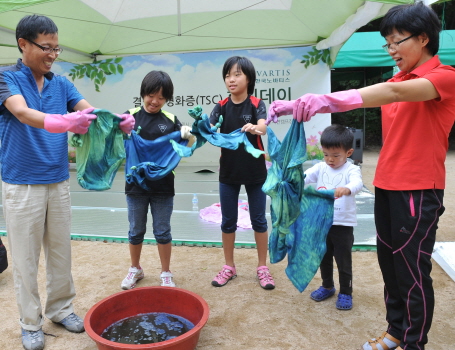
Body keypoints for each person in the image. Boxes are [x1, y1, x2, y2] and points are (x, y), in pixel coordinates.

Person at [267, 3, 455, 350]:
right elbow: (386, 91)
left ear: (424, 38)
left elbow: (392, 94)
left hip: (417, 190)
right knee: (390, 265)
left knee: (412, 271)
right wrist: (297, 107)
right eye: (387, 43)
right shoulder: (396, 79)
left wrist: (323, 101)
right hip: (385, 184)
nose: (391, 50)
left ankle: (414, 343)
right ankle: (395, 332)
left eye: (397, 41)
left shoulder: (443, 77)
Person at [0, 14, 134, 350]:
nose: (53, 54)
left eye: (56, 48)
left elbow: (91, 111)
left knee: (60, 254)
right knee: (26, 260)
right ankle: (31, 324)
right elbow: (22, 113)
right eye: (47, 47)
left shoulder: (62, 85)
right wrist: (63, 122)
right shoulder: (7, 78)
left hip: (58, 181)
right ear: (23, 44)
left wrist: (118, 120)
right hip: (22, 183)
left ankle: (60, 309)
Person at [120, 70, 193, 290]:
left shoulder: (170, 120)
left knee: (162, 231)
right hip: (135, 186)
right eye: (151, 95)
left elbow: (187, 146)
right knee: (135, 230)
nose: (155, 101)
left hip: (163, 186)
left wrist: (189, 136)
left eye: (161, 98)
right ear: (143, 93)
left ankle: (166, 273)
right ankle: (135, 269)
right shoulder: (129, 117)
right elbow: (115, 137)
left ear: (167, 99)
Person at [209, 56, 275, 290]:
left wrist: (254, 127)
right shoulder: (220, 106)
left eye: (237, 74)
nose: (231, 79)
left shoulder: (257, 104)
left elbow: (263, 127)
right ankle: (229, 267)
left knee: (259, 220)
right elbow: (210, 128)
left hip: (256, 173)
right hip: (228, 173)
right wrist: (203, 127)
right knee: (228, 222)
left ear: (249, 78)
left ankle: (262, 267)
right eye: (227, 75)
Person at [304, 125, 363, 310]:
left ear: (349, 152)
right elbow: (304, 177)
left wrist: (347, 188)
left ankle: (346, 292)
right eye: (326, 154)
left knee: (343, 259)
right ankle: (327, 286)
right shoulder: (320, 167)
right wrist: (293, 179)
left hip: (342, 224)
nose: (330, 159)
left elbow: (357, 183)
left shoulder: (351, 170)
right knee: (324, 256)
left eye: (336, 155)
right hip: (322, 222)